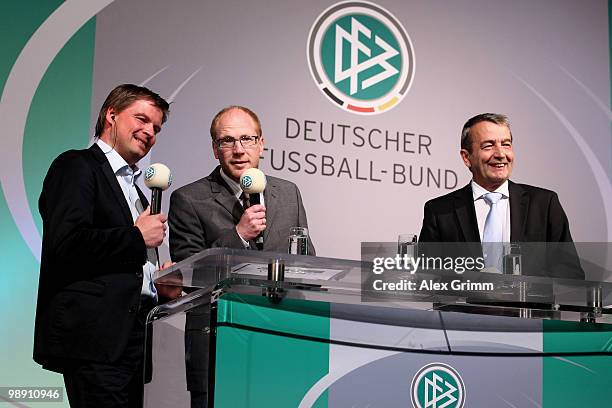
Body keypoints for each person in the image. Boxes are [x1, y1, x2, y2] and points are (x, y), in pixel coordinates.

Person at [33, 84, 180, 407]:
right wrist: (136, 237)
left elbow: (126, 263)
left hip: (133, 341)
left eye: (156, 127)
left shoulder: (137, 192)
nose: (149, 132)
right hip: (94, 339)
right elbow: (66, 243)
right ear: (111, 114)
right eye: (141, 119)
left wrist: (157, 284)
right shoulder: (77, 165)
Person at [168, 105, 315, 407]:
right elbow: (191, 276)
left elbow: (306, 260)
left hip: (281, 336)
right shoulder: (188, 198)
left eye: (247, 139)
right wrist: (238, 235)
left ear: (261, 144)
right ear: (214, 149)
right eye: (227, 141)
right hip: (221, 340)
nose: (238, 149)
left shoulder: (288, 193)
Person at [419, 113, 583, 279]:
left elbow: (570, 274)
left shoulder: (544, 204)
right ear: (466, 157)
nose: (500, 154)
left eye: (506, 144)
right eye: (488, 146)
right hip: (464, 305)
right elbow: (427, 277)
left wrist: (524, 288)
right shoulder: (440, 211)